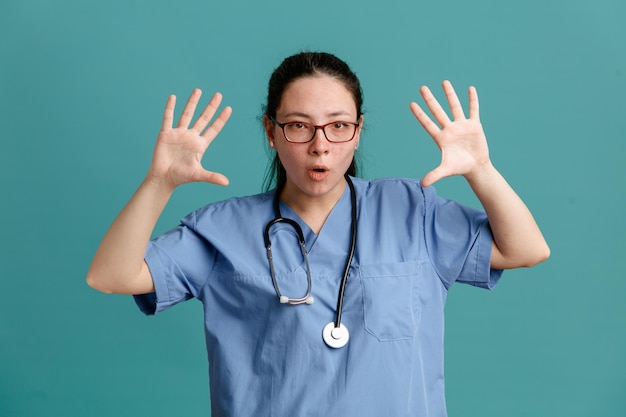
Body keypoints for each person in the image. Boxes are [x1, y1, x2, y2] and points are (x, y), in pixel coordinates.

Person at [87, 51, 549, 417]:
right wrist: (159, 183)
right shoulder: (221, 232)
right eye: (298, 126)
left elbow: (526, 249)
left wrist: (481, 170)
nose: (320, 143)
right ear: (270, 131)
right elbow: (110, 276)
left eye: (338, 125)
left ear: (358, 131)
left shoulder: (413, 210)